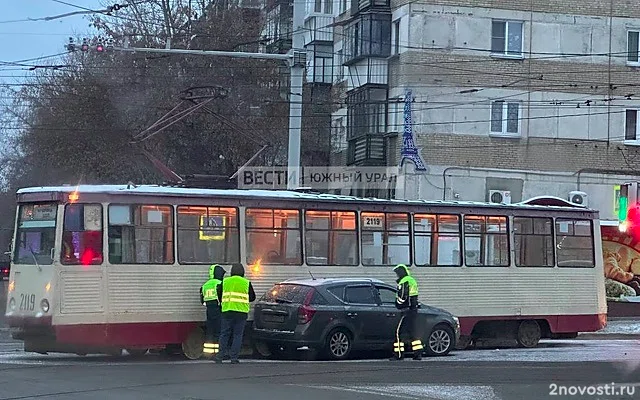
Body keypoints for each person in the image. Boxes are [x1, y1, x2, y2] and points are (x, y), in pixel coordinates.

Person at [214, 263, 256, 364]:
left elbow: (219, 293)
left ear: (232, 271)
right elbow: (252, 297)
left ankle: (220, 356)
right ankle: (234, 358)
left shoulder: (225, 281)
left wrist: (223, 301)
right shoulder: (246, 282)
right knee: (238, 335)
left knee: (224, 334)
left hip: (227, 310)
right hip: (241, 313)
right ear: (242, 272)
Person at [391, 264, 423, 361]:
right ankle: (418, 354)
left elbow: (403, 297)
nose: (397, 275)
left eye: (397, 273)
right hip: (413, 310)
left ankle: (399, 355)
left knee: (398, 332)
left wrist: (398, 304)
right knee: (412, 332)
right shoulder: (412, 280)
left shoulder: (404, 281)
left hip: (405, 310)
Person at [200, 264, 226, 357]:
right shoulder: (220, 283)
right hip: (218, 310)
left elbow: (202, 300)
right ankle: (219, 353)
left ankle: (208, 353)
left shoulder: (205, 285)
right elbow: (223, 297)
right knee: (219, 332)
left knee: (210, 331)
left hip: (209, 310)